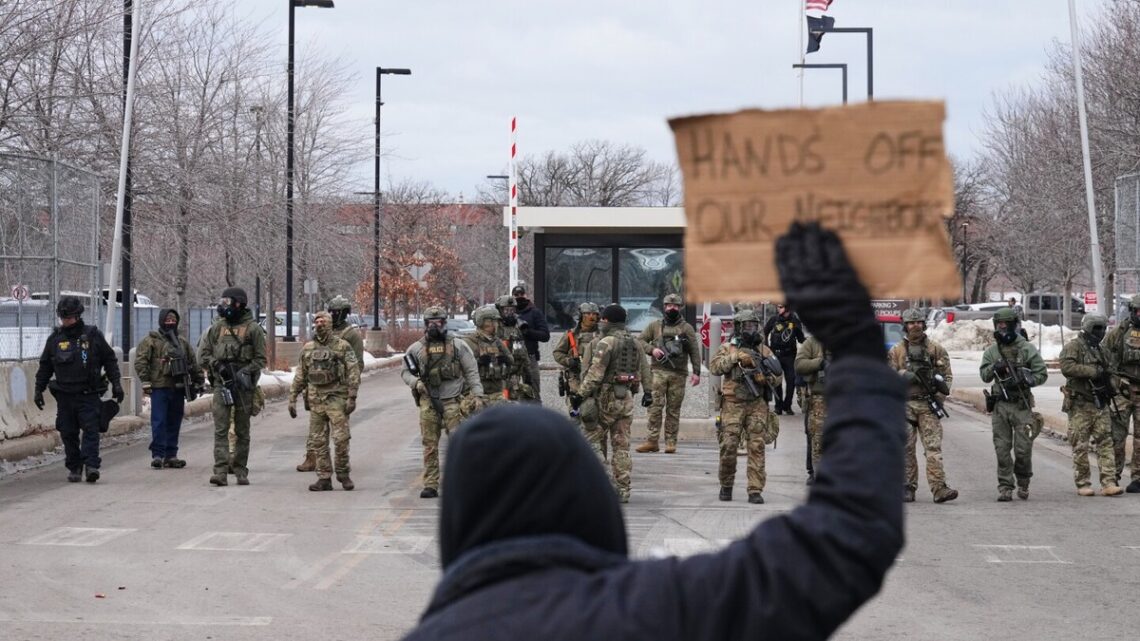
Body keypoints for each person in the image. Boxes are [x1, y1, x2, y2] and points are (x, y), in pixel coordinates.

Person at [400, 222, 905, 641]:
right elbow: (848, 539)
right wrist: (859, 353)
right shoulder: (651, 612)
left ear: (458, 522)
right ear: (587, 502)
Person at [34, 296, 123, 483]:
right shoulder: (55, 339)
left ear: (78, 315)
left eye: (69, 317)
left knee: (91, 430)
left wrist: (116, 383)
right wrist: (38, 390)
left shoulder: (92, 336)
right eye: (63, 317)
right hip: (65, 396)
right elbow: (45, 367)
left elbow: (109, 359)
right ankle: (75, 466)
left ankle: (91, 466)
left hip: (88, 394)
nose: (66, 321)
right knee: (68, 433)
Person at [402, 305, 483, 498]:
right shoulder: (416, 348)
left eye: (437, 323)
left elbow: (472, 371)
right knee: (430, 444)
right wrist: (416, 383)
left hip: (453, 401)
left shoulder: (458, 345)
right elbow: (405, 372)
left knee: (458, 443)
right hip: (429, 401)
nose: (434, 326)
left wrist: (478, 395)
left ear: (444, 323)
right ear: (425, 324)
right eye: (430, 323)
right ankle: (431, 484)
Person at [572, 304, 651, 503]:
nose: (601, 321)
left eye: (603, 319)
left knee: (590, 441)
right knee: (621, 446)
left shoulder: (606, 342)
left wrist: (580, 395)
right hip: (625, 400)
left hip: (606, 399)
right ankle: (623, 489)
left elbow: (595, 374)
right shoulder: (634, 342)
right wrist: (648, 392)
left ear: (608, 321)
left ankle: (603, 484)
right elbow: (644, 369)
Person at [709, 308, 781, 504]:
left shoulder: (764, 350)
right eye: (746, 326)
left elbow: (778, 375)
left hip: (757, 404)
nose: (750, 329)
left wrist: (765, 379)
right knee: (728, 445)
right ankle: (726, 484)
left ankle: (755, 489)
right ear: (739, 327)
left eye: (753, 326)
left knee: (757, 446)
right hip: (732, 403)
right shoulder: (727, 348)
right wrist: (736, 357)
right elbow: (714, 367)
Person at [887, 308, 959, 503]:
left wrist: (939, 396)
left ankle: (939, 489)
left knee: (933, 449)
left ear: (924, 324)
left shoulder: (935, 349)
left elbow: (947, 377)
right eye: (911, 323)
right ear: (905, 326)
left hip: (928, 405)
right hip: (904, 406)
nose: (915, 326)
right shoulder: (896, 351)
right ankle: (907, 487)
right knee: (905, 449)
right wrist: (903, 375)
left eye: (919, 322)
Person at [197, 287, 266, 487]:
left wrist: (245, 372)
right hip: (221, 384)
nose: (224, 306)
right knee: (221, 429)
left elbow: (260, 359)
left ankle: (240, 470)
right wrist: (217, 365)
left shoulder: (253, 329)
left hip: (243, 386)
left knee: (243, 430)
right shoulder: (217, 328)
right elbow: (204, 354)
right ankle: (220, 471)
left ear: (239, 303)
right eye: (223, 301)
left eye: (228, 302)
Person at [980, 307, 1048, 501]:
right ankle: (1005, 486)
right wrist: (995, 367)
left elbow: (1041, 373)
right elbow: (984, 375)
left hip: (1021, 405)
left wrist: (1028, 379)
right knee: (1002, 449)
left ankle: (1024, 481)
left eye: (1006, 325)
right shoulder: (992, 351)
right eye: (999, 325)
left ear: (1014, 325)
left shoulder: (1026, 348)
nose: (1002, 328)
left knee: (1023, 449)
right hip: (1000, 405)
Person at [288, 311, 361, 491]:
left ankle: (343, 474)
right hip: (316, 400)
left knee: (341, 439)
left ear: (329, 325)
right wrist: (292, 398)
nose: (319, 325)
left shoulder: (342, 346)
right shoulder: (308, 348)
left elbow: (353, 371)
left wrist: (352, 396)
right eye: (316, 321)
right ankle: (324, 477)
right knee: (318, 441)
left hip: (337, 398)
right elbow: (300, 375)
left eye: (323, 321)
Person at [1059, 313, 1123, 496]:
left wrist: (1111, 384)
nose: (1100, 332)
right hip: (1080, 404)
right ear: (1087, 328)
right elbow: (1066, 367)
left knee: (1106, 442)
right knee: (1080, 445)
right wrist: (1091, 372)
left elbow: (1112, 370)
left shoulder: (1102, 350)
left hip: (1100, 404)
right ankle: (1083, 483)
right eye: (1096, 328)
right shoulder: (1074, 347)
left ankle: (1108, 482)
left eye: (1102, 328)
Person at [134, 308, 204, 469]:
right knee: (159, 421)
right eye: (167, 320)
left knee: (174, 421)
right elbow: (141, 361)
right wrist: (145, 381)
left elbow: (193, 363)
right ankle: (158, 454)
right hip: (159, 387)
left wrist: (199, 380)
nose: (170, 323)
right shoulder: (151, 341)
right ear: (161, 321)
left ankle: (171, 455)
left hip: (178, 387)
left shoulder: (182, 342)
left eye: (173, 321)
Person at [635, 293, 701, 454]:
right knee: (654, 408)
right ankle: (652, 441)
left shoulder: (687, 328)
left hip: (678, 374)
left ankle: (671, 442)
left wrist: (697, 372)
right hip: (658, 372)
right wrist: (653, 350)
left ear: (680, 308)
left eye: (676, 306)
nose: (672, 308)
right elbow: (639, 341)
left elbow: (694, 351)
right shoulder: (655, 326)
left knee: (673, 409)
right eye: (669, 305)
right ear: (664, 307)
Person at [1102, 294, 1140, 491]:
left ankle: (1138, 478)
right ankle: (1112, 476)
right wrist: (1112, 382)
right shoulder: (1119, 332)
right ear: (1132, 311)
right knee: (1117, 435)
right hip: (1122, 392)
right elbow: (1104, 357)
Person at [552, 302, 601, 436]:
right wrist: (569, 361)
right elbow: (557, 353)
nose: (591, 317)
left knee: (593, 417)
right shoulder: (571, 335)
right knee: (575, 415)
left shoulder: (602, 335)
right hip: (575, 380)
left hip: (595, 381)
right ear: (581, 316)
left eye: (594, 314)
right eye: (587, 314)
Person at [462, 304, 514, 407]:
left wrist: (504, 359)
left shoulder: (497, 341)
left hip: (496, 391)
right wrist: (478, 361)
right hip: (476, 394)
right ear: (485, 322)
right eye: (494, 321)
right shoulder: (470, 341)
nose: (497, 324)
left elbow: (511, 359)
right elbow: (463, 367)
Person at [795, 332, 830, 484]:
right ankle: (815, 472)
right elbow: (799, 364)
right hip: (819, 397)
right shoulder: (812, 343)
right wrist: (819, 363)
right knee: (816, 437)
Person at [764, 302, 806, 415]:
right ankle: (778, 406)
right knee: (777, 382)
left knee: (791, 381)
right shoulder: (774, 320)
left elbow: (801, 338)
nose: (779, 309)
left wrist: (812, 344)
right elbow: (764, 332)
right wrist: (767, 349)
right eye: (778, 307)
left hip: (789, 355)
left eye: (781, 307)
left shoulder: (794, 320)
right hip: (776, 355)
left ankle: (787, 406)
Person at [511, 282, 550, 401]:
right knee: (512, 393)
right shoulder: (508, 313)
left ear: (526, 295)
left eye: (521, 294)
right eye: (516, 294)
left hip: (530, 357)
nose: (519, 297)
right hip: (511, 359)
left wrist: (528, 332)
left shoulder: (534, 312)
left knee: (533, 393)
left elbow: (545, 335)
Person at [495, 295, 538, 402]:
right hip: (497, 378)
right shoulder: (494, 328)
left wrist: (528, 377)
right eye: (506, 310)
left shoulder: (516, 329)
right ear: (500, 310)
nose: (510, 313)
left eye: (512, 310)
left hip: (514, 377)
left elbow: (523, 353)